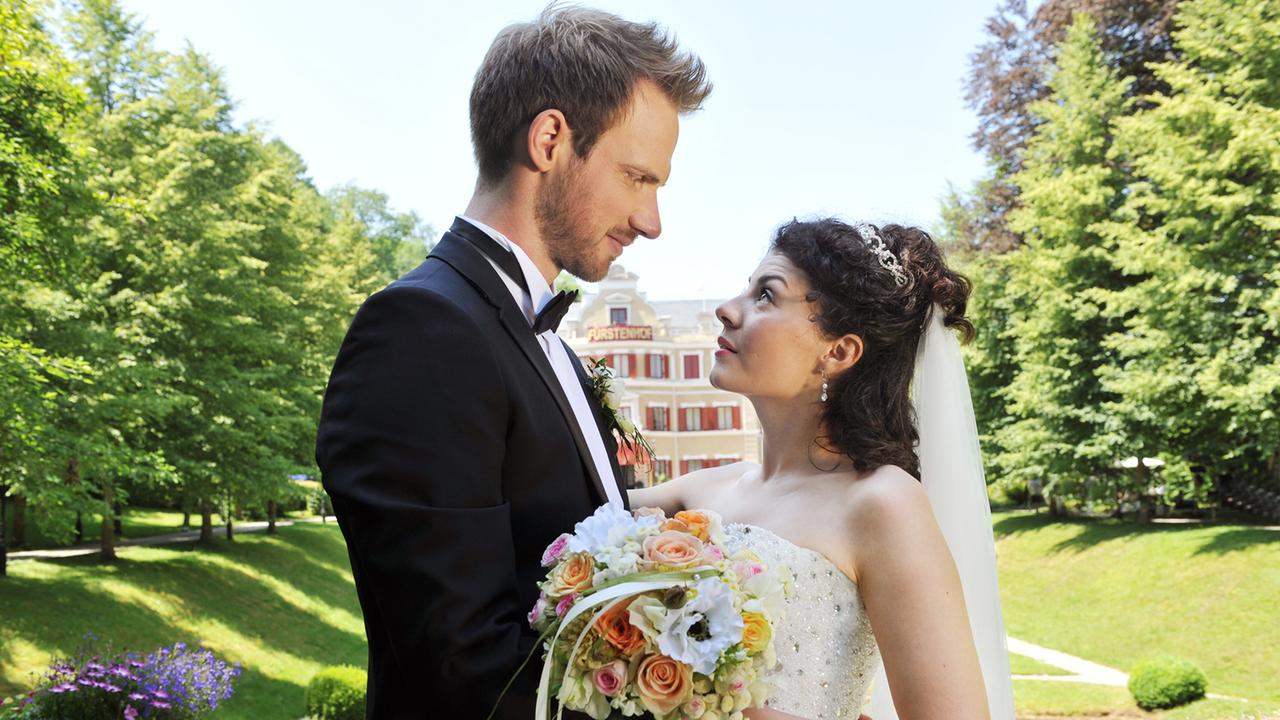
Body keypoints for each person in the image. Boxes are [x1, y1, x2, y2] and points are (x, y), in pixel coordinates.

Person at [314, 7, 711, 718]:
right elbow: (466, 669)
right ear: (551, 139)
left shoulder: (546, 339)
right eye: (638, 178)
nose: (653, 221)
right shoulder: (421, 332)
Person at [630, 218, 1015, 719]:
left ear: (838, 352)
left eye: (766, 295)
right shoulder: (700, 491)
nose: (727, 310)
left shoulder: (881, 503)